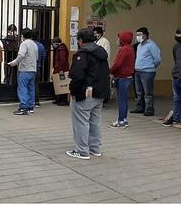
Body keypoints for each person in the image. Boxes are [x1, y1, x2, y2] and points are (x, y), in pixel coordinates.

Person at [66, 28, 110, 160]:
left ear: (80, 40)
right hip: (100, 92)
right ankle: (95, 148)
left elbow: (77, 76)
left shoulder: (83, 54)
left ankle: (81, 150)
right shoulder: (101, 53)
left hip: (85, 93)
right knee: (95, 121)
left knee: (81, 122)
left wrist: (73, 91)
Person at [131, 27, 161, 116]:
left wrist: (151, 67)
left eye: (139, 35)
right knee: (139, 92)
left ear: (145, 35)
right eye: (137, 35)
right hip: (138, 71)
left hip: (147, 72)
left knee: (148, 92)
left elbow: (157, 59)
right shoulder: (139, 45)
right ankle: (140, 107)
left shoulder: (151, 45)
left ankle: (149, 109)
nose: (137, 36)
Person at [8, 28, 39, 115]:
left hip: (25, 69)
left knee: (22, 88)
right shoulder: (34, 44)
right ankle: (30, 107)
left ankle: (23, 108)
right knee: (31, 88)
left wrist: (14, 63)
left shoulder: (24, 44)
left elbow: (21, 55)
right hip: (33, 69)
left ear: (22, 36)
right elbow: (36, 57)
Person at [108, 31, 135, 128]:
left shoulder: (124, 49)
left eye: (119, 38)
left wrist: (110, 71)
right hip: (127, 77)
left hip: (123, 78)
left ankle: (121, 121)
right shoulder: (129, 48)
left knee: (121, 100)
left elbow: (117, 64)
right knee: (124, 100)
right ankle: (124, 119)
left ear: (122, 40)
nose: (117, 40)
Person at [51, 37, 70, 106]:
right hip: (61, 69)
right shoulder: (61, 48)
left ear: (56, 43)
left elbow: (62, 60)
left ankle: (63, 100)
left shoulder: (61, 49)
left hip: (61, 70)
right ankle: (59, 100)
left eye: (53, 44)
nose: (53, 46)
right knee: (60, 84)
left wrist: (60, 70)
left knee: (62, 85)